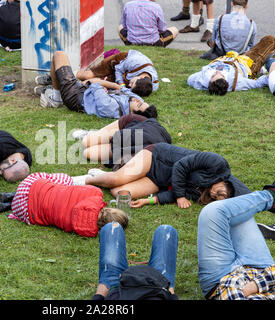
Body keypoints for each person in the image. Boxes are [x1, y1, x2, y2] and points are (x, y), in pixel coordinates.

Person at [198, 165, 275, 300]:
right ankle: (273, 197)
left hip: (220, 280)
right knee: (239, 214)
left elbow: (232, 294)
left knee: (214, 212)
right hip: (260, 268)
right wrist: (266, 282)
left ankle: (272, 196)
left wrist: (262, 284)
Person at [73, 143, 251, 209]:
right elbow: (182, 166)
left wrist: (149, 200)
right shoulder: (217, 163)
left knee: (121, 192)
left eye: (218, 199)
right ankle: (83, 180)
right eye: (220, 193)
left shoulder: (203, 194)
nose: (214, 195)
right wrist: (180, 196)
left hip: (159, 181)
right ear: (227, 183)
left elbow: (173, 194)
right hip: (156, 157)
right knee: (116, 179)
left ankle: (102, 175)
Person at [0, 172, 129, 238]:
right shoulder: (86, 230)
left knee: (65, 181)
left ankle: (11, 195)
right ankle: (10, 202)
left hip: (28, 186)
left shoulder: (96, 192)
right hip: (23, 211)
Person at [35, 51, 158, 120]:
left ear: (133, 114)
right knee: (88, 76)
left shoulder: (112, 108)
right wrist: (112, 86)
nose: (138, 100)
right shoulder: (135, 100)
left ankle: (56, 97)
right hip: (86, 90)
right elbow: (118, 87)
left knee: (59, 55)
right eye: (141, 101)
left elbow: (95, 84)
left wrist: (96, 83)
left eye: (139, 104)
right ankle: (55, 83)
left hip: (75, 97)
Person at [92, 222, 179, 300]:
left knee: (111, 227)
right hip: (158, 285)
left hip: (116, 286)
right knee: (166, 230)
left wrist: (101, 291)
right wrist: (169, 291)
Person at [187, 35, 275, 95]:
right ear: (226, 81)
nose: (217, 72)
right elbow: (256, 84)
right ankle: (260, 66)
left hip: (231, 57)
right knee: (270, 41)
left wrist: (205, 86)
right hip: (247, 63)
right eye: (220, 75)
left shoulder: (202, 80)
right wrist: (269, 77)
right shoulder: (236, 82)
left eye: (213, 75)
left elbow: (190, 79)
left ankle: (260, 63)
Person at [78, 114, 172, 170]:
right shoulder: (127, 137)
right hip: (136, 124)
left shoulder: (143, 151)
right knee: (86, 142)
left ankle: (100, 135)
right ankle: (94, 133)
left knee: (88, 153)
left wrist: (109, 163)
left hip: (153, 136)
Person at [76, 49, 159, 96]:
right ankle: (71, 75)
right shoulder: (136, 62)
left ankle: (75, 87)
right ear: (140, 77)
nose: (129, 85)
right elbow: (118, 69)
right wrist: (121, 85)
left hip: (124, 75)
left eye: (131, 86)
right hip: (119, 62)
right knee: (88, 76)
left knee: (99, 82)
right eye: (132, 83)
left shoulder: (152, 86)